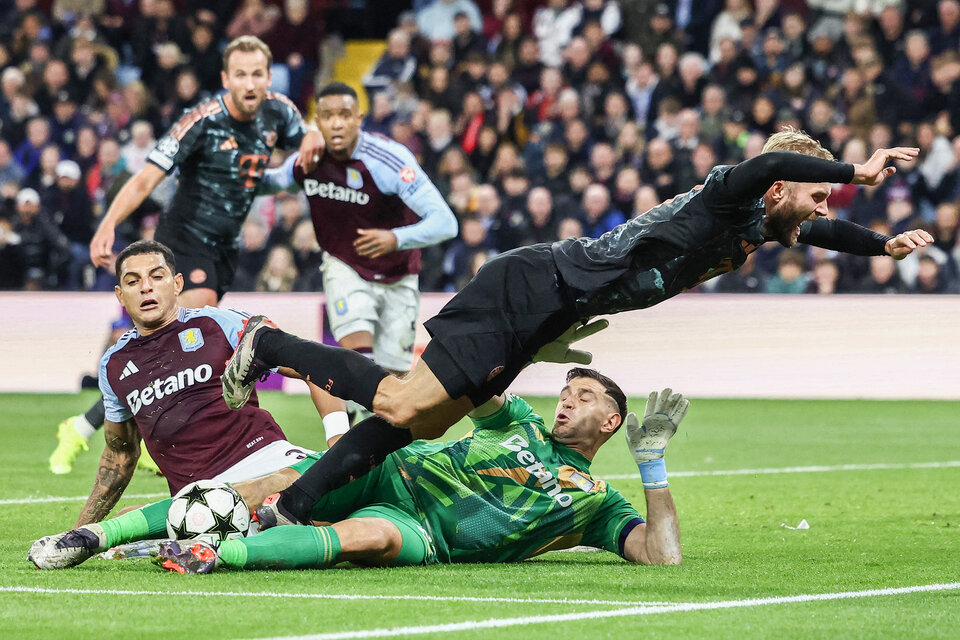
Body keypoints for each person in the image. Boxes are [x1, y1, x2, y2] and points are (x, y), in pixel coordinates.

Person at [223, 128, 934, 529]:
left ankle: (294, 505)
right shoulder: (732, 191)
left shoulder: (760, 222)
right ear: (778, 187)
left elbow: (825, 232)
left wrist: (882, 245)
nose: (818, 209)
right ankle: (269, 345)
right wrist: (860, 171)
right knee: (407, 402)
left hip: (551, 310)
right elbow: (779, 162)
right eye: (815, 195)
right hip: (532, 285)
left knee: (429, 420)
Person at [48, 35, 325, 475]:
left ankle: (84, 426)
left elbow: (293, 152)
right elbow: (143, 180)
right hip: (184, 237)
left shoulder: (281, 113)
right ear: (225, 79)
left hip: (224, 247)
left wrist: (313, 132)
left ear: (269, 78)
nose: (250, 83)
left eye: (258, 74)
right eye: (241, 74)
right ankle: (100, 426)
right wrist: (108, 225)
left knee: (186, 342)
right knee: (192, 326)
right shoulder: (201, 121)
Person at [158, 373, 688, 573]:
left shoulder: (597, 503)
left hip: (425, 533)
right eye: (567, 393)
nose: (567, 403)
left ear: (612, 421)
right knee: (284, 481)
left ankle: (214, 554)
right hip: (395, 472)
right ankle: (114, 533)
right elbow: (474, 386)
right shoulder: (521, 422)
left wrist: (652, 465)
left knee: (366, 537)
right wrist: (521, 347)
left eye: (585, 398)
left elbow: (662, 555)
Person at [28, 240, 343, 570]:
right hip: (198, 497)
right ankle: (229, 534)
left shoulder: (220, 324)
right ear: (121, 296)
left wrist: (338, 447)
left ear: (177, 284)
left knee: (337, 502)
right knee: (127, 519)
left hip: (270, 463)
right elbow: (120, 454)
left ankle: (226, 535)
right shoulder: (114, 365)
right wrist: (78, 532)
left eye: (156, 276)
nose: (146, 288)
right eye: (133, 281)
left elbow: (314, 365)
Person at [260, 81, 458, 380]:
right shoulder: (310, 158)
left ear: (359, 119)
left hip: (398, 274)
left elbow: (446, 222)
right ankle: (345, 424)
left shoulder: (389, 160)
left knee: (393, 383)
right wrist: (225, 170)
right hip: (345, 264)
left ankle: (363, 421)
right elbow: (273, 182)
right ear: (318, 121)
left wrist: (396, 238)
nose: (336, 123)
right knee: (357, 357)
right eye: (328, 116)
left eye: (344, 114)